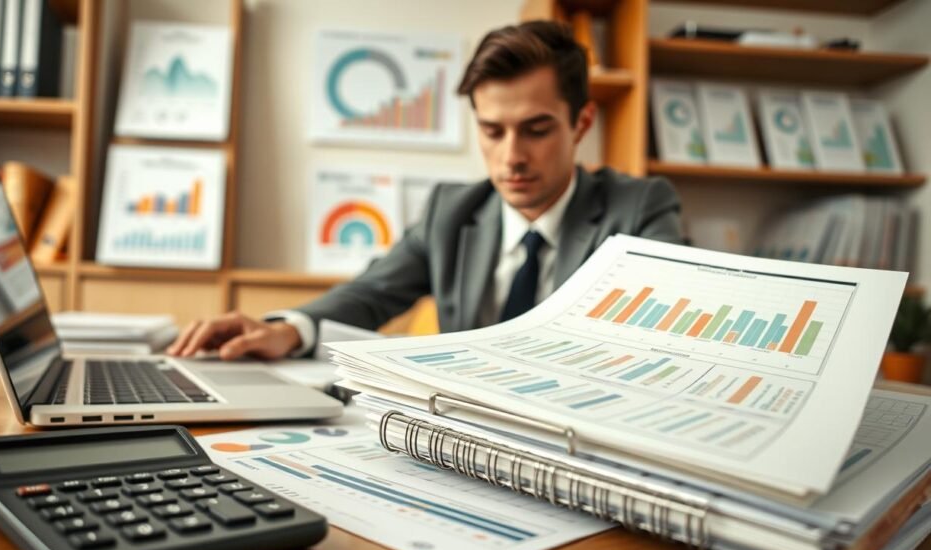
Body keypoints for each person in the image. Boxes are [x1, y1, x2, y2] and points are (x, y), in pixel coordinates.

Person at [167, 20, 683, 361]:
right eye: (492, 130)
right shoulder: (451, 211)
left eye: (537, 129)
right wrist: (288, 328)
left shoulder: (639, 209)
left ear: (582, 122)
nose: (512, 156)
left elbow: (664, 342)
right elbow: (371, 294)